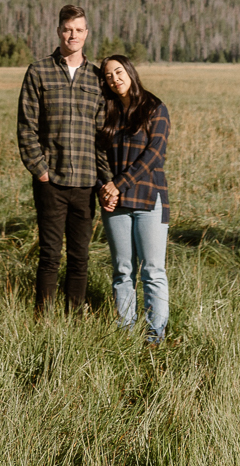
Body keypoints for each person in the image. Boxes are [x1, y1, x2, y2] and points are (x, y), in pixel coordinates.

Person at [17, 4, 105, 314]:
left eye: (79, 29)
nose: (73, 35)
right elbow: (26, 127)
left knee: (80, 256)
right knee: (50, 254)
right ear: (58, 31)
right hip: (50, 181)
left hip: (85, 182)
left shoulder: (97, 77)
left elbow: (102, 135)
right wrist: (40, 171)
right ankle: (43, 319)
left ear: (86, 34)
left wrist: (103, 180)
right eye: (68, 29)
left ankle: (74, 319)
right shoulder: (38, 71)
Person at [97, 54, 170, 344]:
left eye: (118, 72)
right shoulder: (108, 111)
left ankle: (155, 335)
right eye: (108, 76)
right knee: (122, 270)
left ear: (129, 71)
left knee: (152, 270)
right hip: (114, 202)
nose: (114, 79)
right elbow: (99, 154)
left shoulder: (154, 108)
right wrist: (105, 188)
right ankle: (125, 333)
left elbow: (154, 155)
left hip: (149, 198)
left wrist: (119, 184)